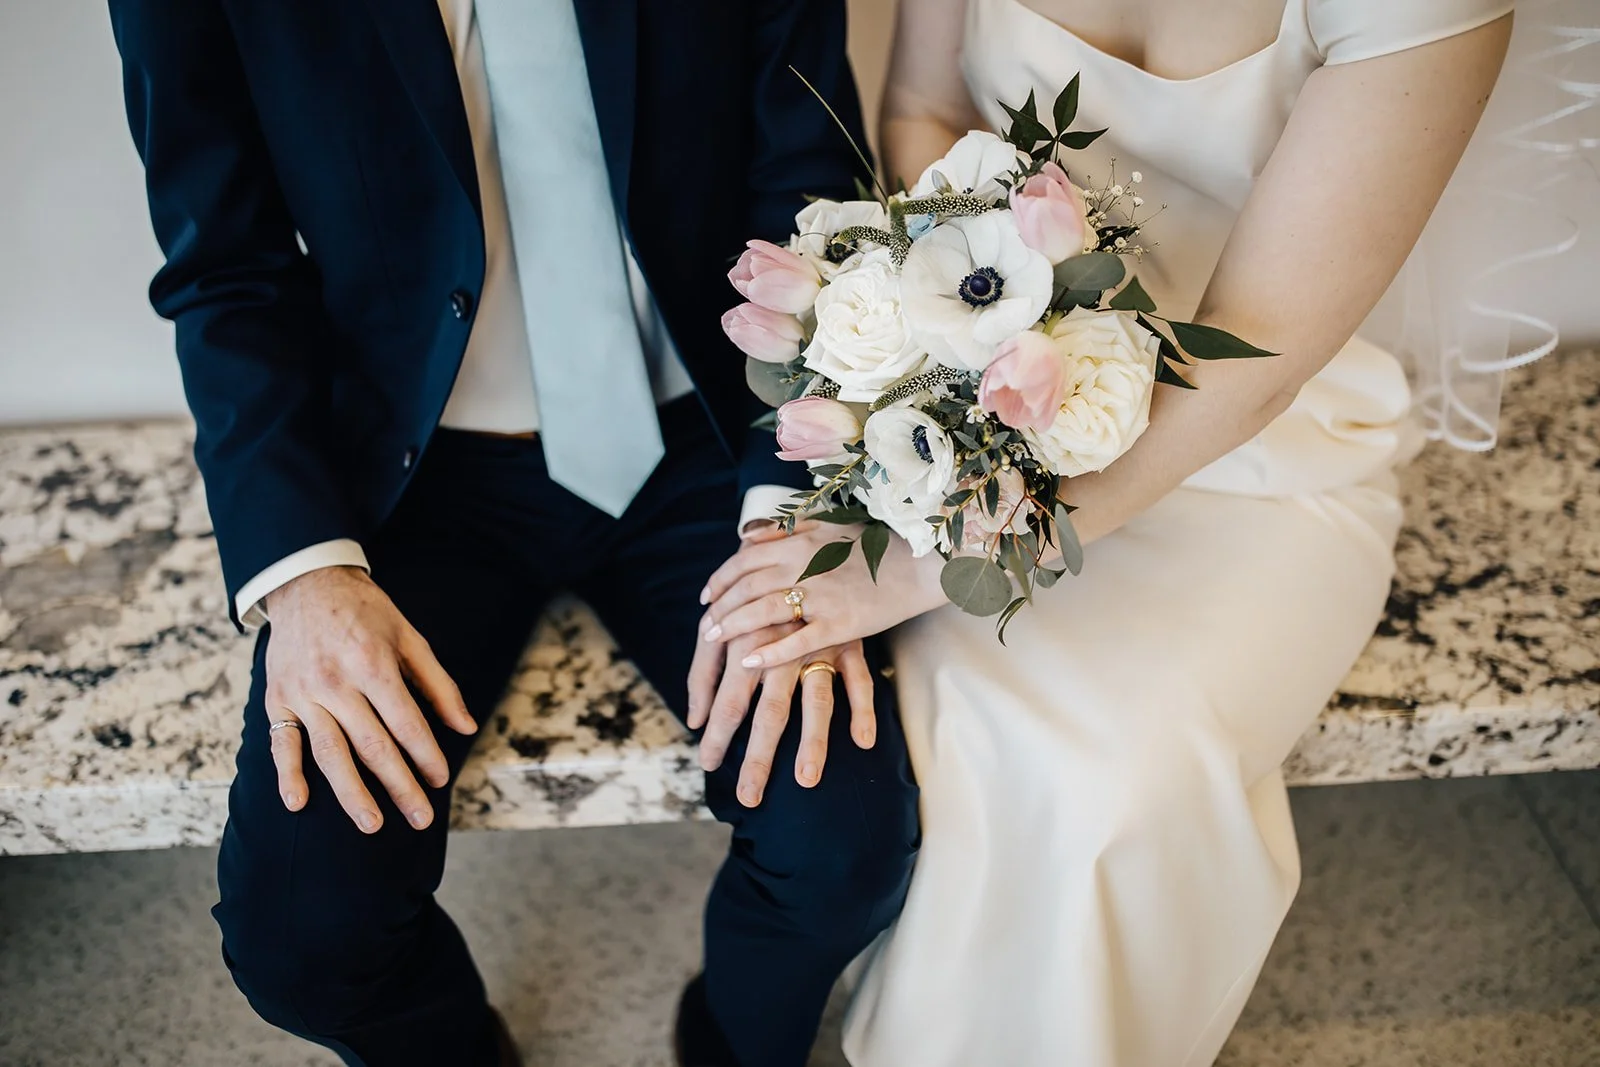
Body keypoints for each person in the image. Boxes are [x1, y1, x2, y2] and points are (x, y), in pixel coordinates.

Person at [696, 0, 1513, 1063]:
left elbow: (1253, 354)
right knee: (964, 753)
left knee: (1107, 785)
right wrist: (951, 341)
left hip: (1252, 454)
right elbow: (922, 108)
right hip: (983, 424)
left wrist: (931, 564)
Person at [106, 2, 917, 1065]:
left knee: (843, 846)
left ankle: (723, 1043)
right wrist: (302, 572)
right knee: (302, 932)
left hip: (710, 434)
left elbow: (805, 186)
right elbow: (226, 265)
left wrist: (787, 503)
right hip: (410, 468)